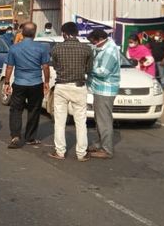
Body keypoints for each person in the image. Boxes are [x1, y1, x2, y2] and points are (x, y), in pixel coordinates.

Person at [48, 22, 93, 161]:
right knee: (81, 122)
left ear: (64, 33)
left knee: (60, 121)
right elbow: (89, 69)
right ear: (77, 33)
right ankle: (81, 153)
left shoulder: (57, 48)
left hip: (61, 86)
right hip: (79, 87)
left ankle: (60, 152)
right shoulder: (86, 49)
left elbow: (55, 65)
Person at [3, 22, 50, 149]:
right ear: (34, 33)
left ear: (22, 33)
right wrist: (46, 82)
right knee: (34, 110)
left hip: (19, 83)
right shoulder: (42, 48)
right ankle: (30, 137)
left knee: (16, 110)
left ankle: (15, 136)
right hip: (36, 83)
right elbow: (45, 67)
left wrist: (6, 83)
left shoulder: (14, 48)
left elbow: (9, 67)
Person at [87, 29, 121, 159]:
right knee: (99, 119)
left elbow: (103, 72)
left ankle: (106, 149)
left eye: (94, 42)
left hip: (105, 90)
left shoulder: (109, 50)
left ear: (100, 39)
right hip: (99, 89)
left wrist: (87, 68)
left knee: (104, 120)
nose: (93, 44)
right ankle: (99, 144)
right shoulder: (102, 48)